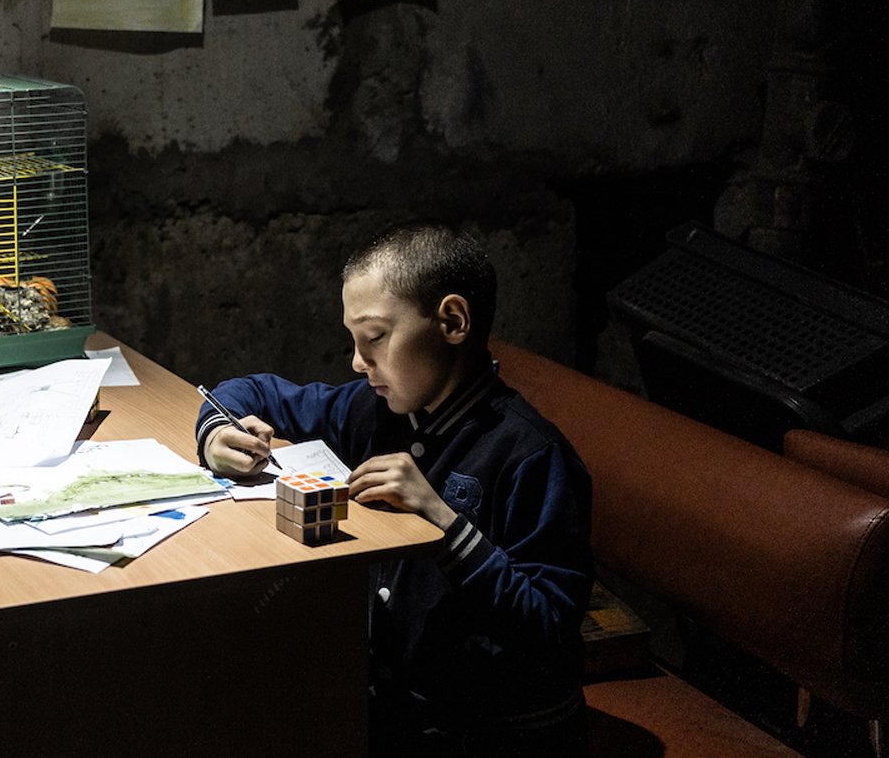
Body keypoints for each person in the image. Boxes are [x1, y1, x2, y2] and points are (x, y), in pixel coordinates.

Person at [196, 221, 593, 758]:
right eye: (354, 341)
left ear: (452, 321)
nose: (358, 363)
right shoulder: (376, 410)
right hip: (396, 709)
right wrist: (217, 432)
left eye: (375, 338)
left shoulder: (532, 456)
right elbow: (252, 390)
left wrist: (444, 522)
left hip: (496, 732)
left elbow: (550, 629)